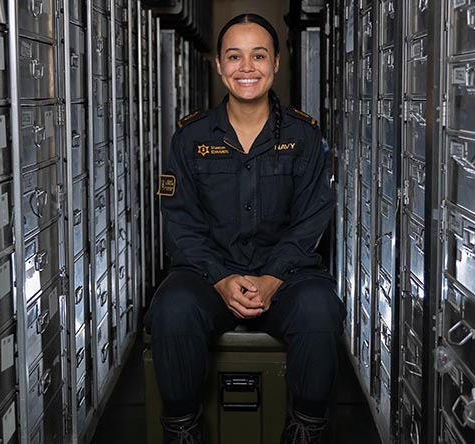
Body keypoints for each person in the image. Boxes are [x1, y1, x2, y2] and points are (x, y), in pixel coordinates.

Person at [145, 13, 346, 444]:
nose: (247, 67)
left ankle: (306, 430)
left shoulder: (304, 136)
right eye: (234, 56)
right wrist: (219, 278)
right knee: (172, 309)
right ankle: (182, 430)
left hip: (287, 277)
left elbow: (313, 216)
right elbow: (180, 219)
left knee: (321, 310)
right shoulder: (191, 136)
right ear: (218, 65)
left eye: (259, 55)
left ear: (276, 63)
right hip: (209, 275)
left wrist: (273, 277)